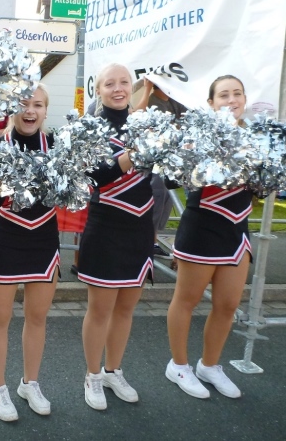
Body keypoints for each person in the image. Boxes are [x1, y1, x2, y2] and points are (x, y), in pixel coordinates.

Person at [165, 75, 251, 400]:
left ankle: (210, 365)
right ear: (211, 103)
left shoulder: (256, 138)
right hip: (202, 229)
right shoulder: (198, 135)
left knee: (227, 305)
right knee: (186, 301)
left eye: (237, 93)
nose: (232, 100)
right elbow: (171, 179)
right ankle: (178, 365)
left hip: (237, 232)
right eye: (224, 95)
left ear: (245, 99)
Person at [77, 63, 153, 411]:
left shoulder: (145, 124)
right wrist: (134, 153)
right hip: (106, 226)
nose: (118, 88)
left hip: (140, 227)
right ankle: (92, 375)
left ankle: (113, 370)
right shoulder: (89, 129)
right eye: (110, 83)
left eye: (124, 82)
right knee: (100, 310)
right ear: (99, 89)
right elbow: (96, 175)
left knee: (126, 308)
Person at [0, 84, 58, 422]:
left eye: (38, 105)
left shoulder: (57, 145)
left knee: (37, 317)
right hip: (8, 238)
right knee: (0, 318)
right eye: (24, 103)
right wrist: (6, 176)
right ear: (12, 107)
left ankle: (30, 383)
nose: (30, 111)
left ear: (45, 110)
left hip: (44, 239)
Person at [135, 77, 189, 259]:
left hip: (170, 162)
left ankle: (153, 241)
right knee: (157, 199)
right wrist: (147, 88)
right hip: (155, 162)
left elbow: (188, 120)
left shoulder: (175, 102)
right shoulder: (153, 101)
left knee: (166, 201)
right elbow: (140, 117)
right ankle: (148, 242)